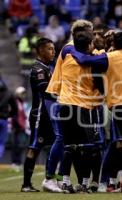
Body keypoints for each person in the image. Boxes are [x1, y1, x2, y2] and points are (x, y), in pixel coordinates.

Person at [69, 32, 122, 193]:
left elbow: (85, 60)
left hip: (120, 105)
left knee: (121, 143)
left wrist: (71, 50)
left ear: (114, 44)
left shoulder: (108, 57)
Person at [46, 20, 104, 193]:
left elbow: (58, 75)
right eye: (91, 32)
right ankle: (82, 183)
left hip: (66, 103)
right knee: (86, 147)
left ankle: (64, 181)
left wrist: (57, 93)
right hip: (84, 105)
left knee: (70, 146)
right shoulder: (86, 51)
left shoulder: (68, 50)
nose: (93, 36)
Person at [21, 37, 59, 192]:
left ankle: (49, 180)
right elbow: (45, 90)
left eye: (53, 49)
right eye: (50, 49)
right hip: (39, 114)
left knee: (53, 146)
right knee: (34, 147)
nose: (53, 52)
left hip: (48, 114)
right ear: (41, 50)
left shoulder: (47, 67)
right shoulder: (38, 69)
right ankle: (26, 185)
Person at [0, 75, 17, 160]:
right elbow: (15, 108)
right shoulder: (8, 93)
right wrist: (9, 115)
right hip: (3, 119)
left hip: (4, 119)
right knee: (1, 143)